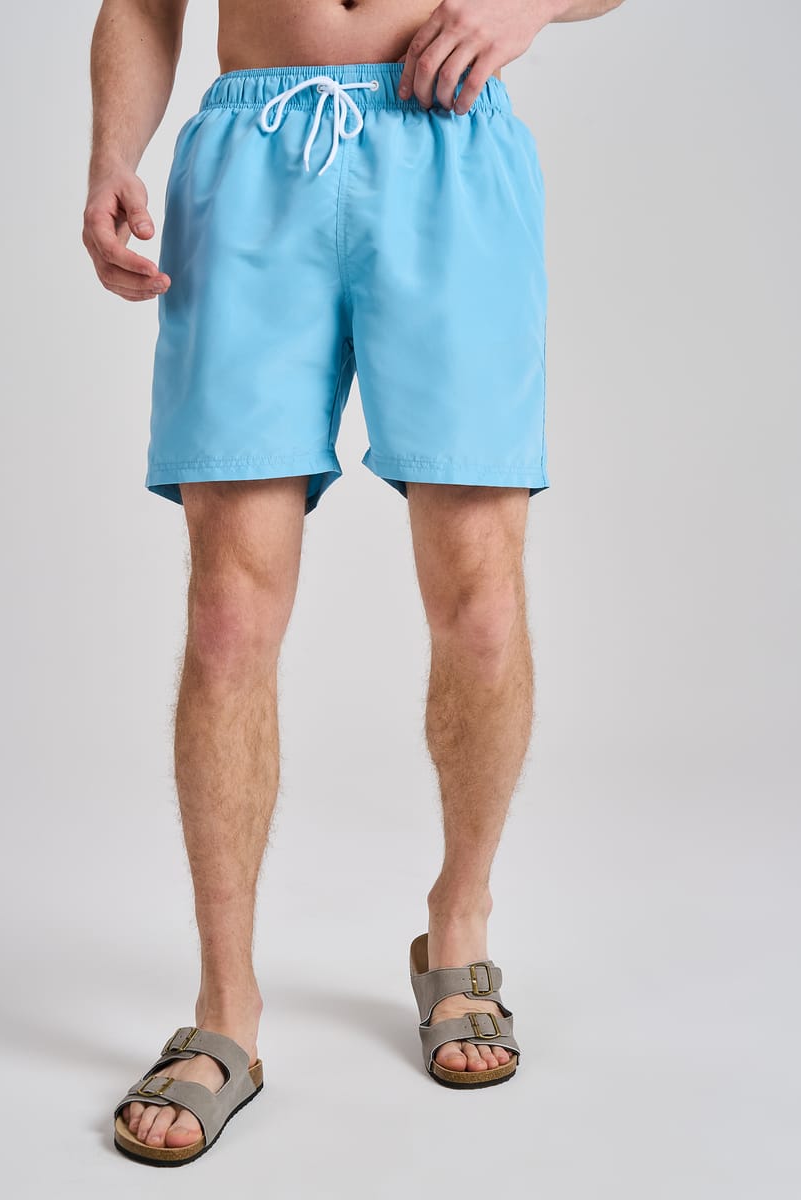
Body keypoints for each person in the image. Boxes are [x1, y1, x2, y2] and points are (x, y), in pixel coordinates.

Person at [83, 0, 626, 1167]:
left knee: (482, 602)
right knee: (227, 618)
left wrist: (529, 5)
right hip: (250, 158)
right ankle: (225, 1011)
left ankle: (459, 925)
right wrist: (112, 154)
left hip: (449, 147)